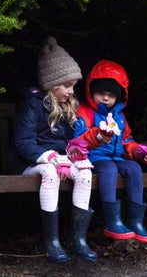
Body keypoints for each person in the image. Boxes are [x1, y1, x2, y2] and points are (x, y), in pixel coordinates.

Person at [12, 36, 97, 263]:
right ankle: (53, 242)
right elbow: (23, 143)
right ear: (51, 84)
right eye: (67, 86)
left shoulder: (66, 108)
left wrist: (75, 152)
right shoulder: (32, 106)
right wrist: (50, 158)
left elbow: (68, 142)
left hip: (60, 162)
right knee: (50, 173)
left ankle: (78, 239)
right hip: (31, 164)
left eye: (73, 86)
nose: (71, 91)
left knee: (86, 174)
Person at [74, 59, 147, 243]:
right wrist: (98, 135)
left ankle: (136, 222)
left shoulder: (119, 117)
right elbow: (78, 138)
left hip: (116, 157)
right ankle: (112, 221)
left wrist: (139, 152)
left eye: (111, 95)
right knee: (109, 169)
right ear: (91, 92)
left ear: (119, 97)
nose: (106, 98)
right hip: (93, 158)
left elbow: (126, 141)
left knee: (134, 168)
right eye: (101, 93)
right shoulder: (85, 111)